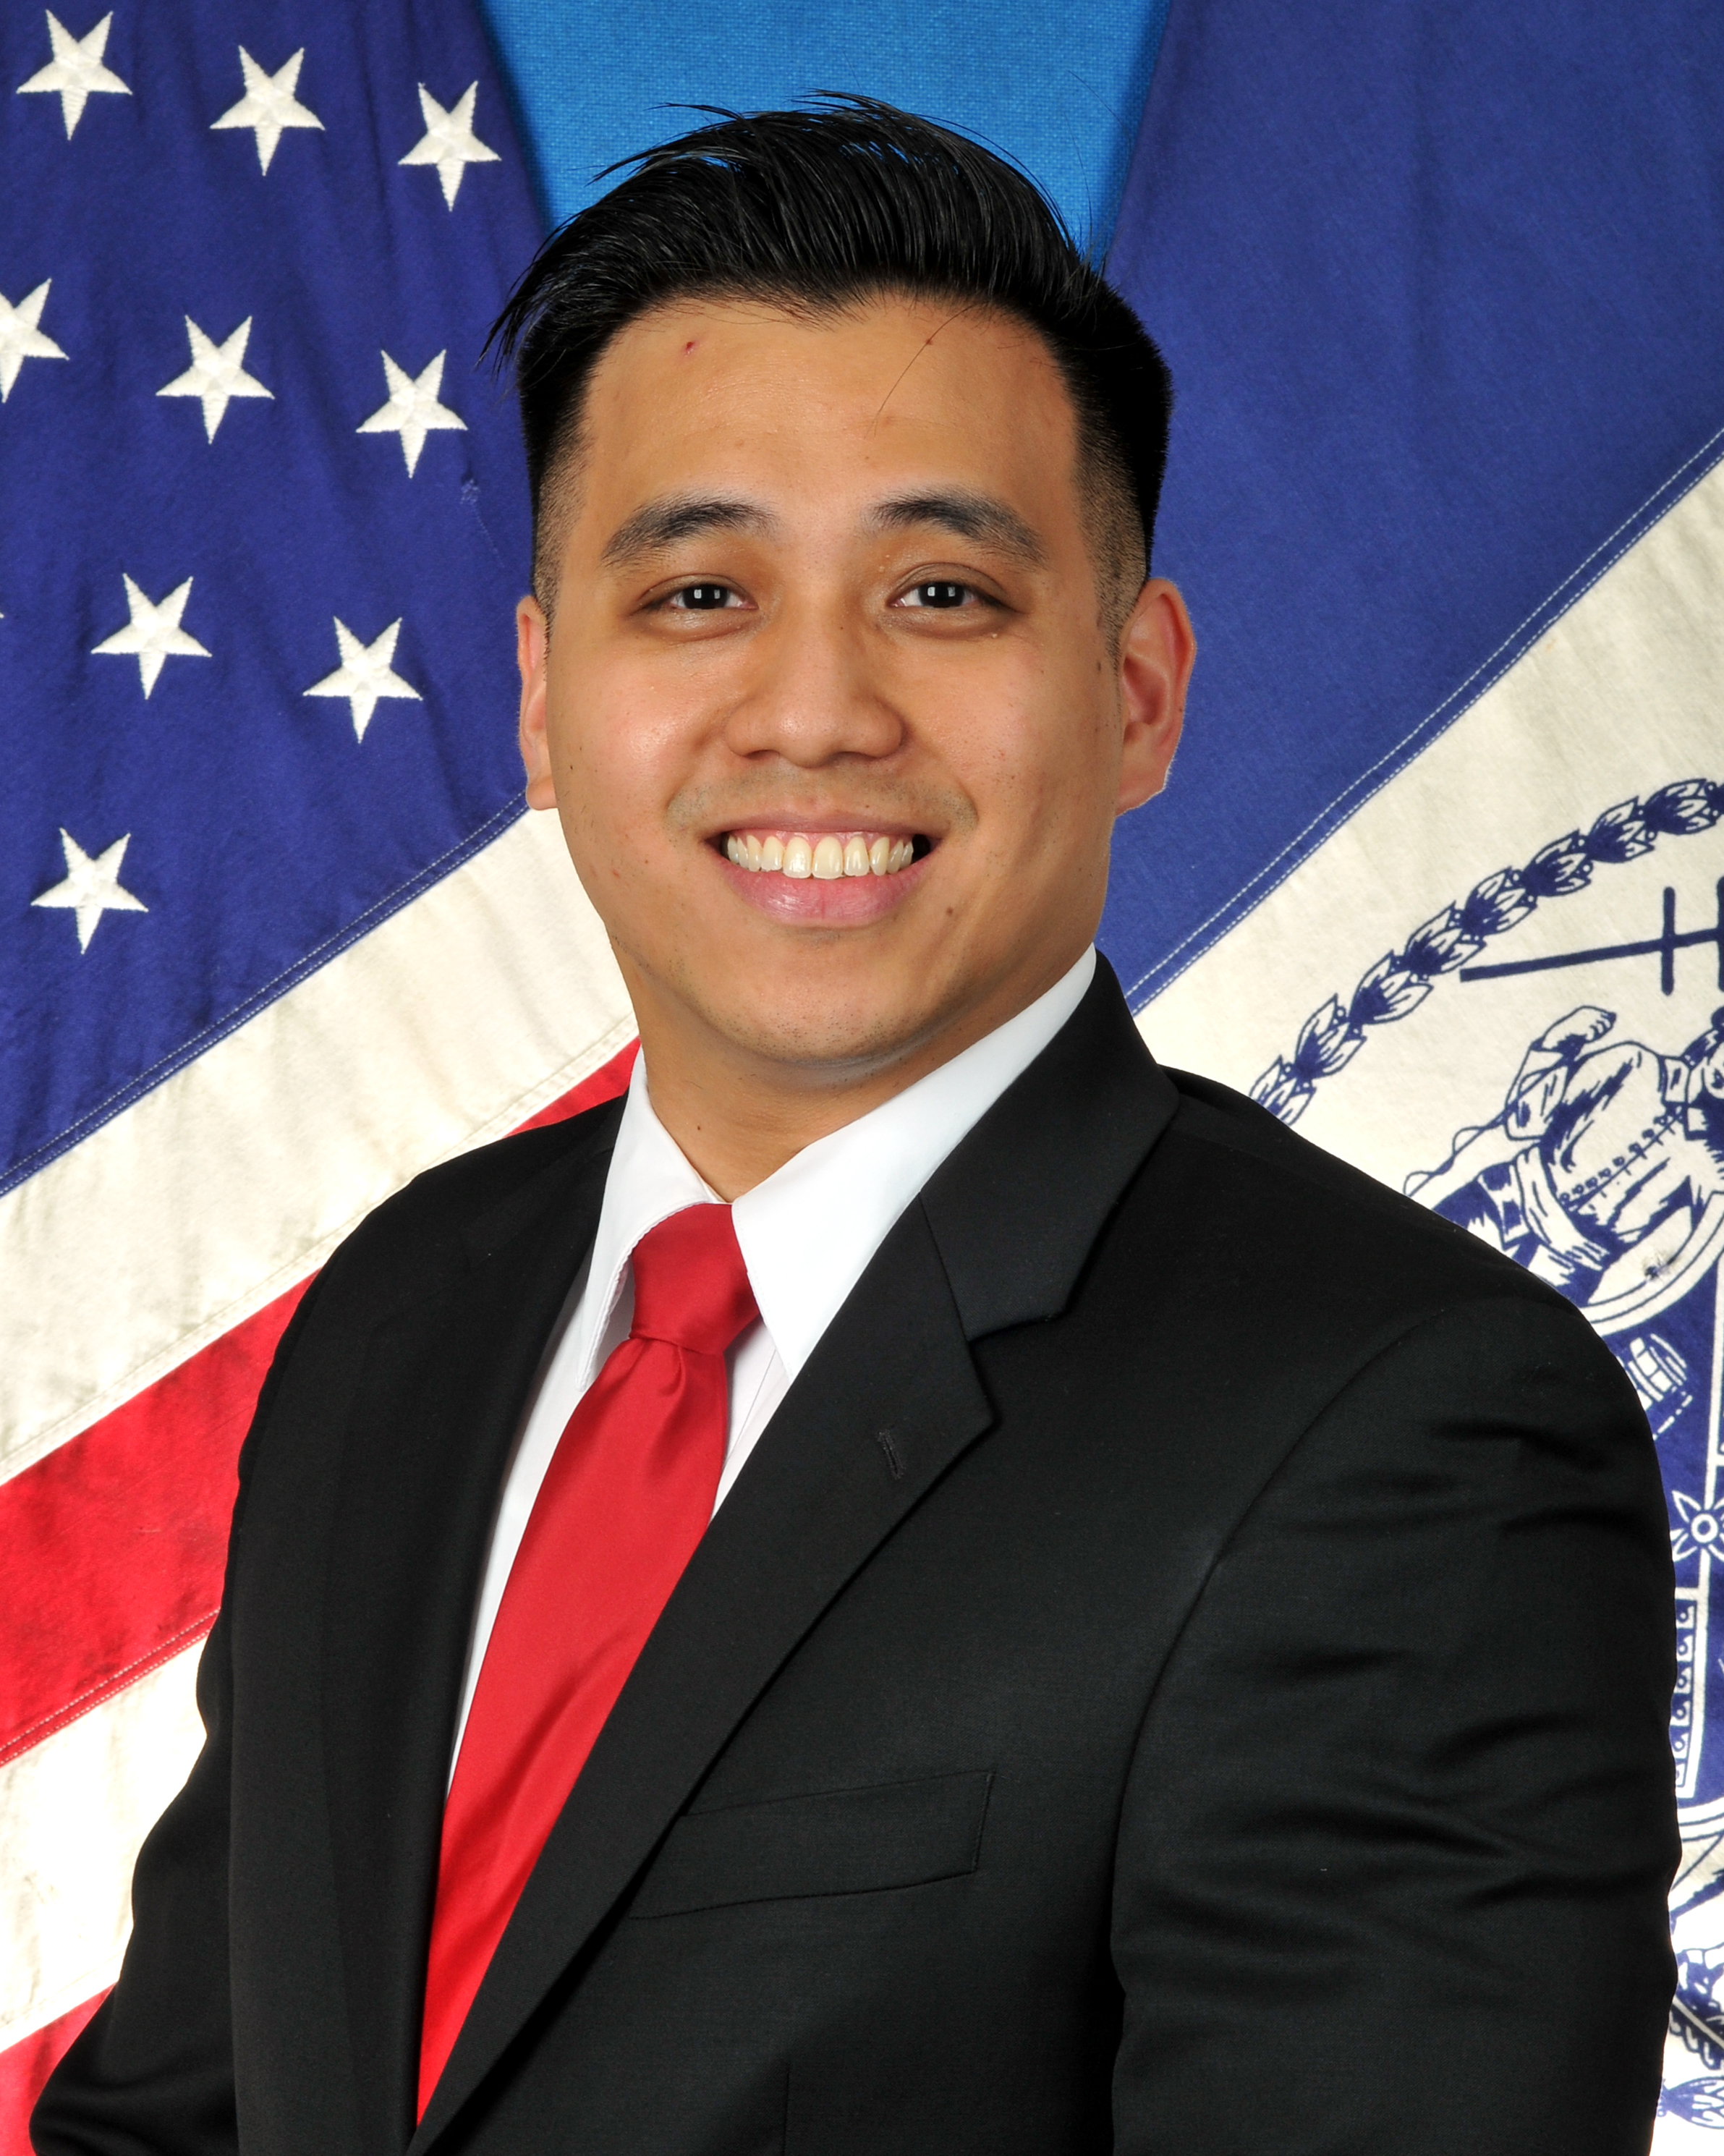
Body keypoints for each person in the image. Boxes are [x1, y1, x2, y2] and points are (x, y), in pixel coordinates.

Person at [34, 98, 1677, 2156]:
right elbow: (179, 2119)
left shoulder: (1408, 1427)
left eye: (943, 592)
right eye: (699, 593)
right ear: (541, 696)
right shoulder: (403, 1312)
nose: (815, 711)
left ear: (1140, 690)